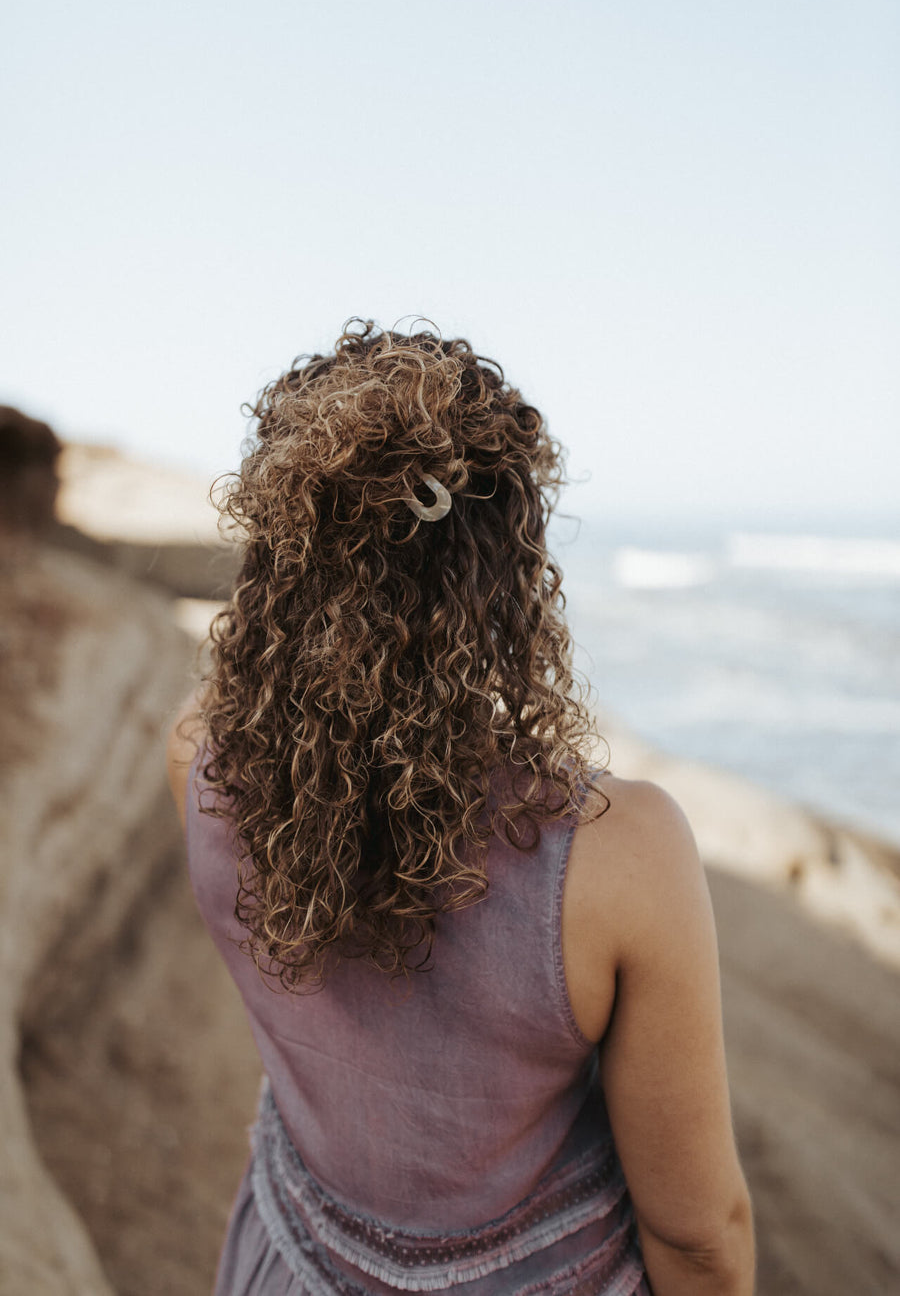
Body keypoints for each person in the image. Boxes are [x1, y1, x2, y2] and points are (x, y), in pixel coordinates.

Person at [167, 321, 754, 1296]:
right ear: (503, 575)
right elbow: (700, 1236)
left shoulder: (201, 759)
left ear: (281, 558)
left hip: (287, 1263)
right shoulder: (619, 855)